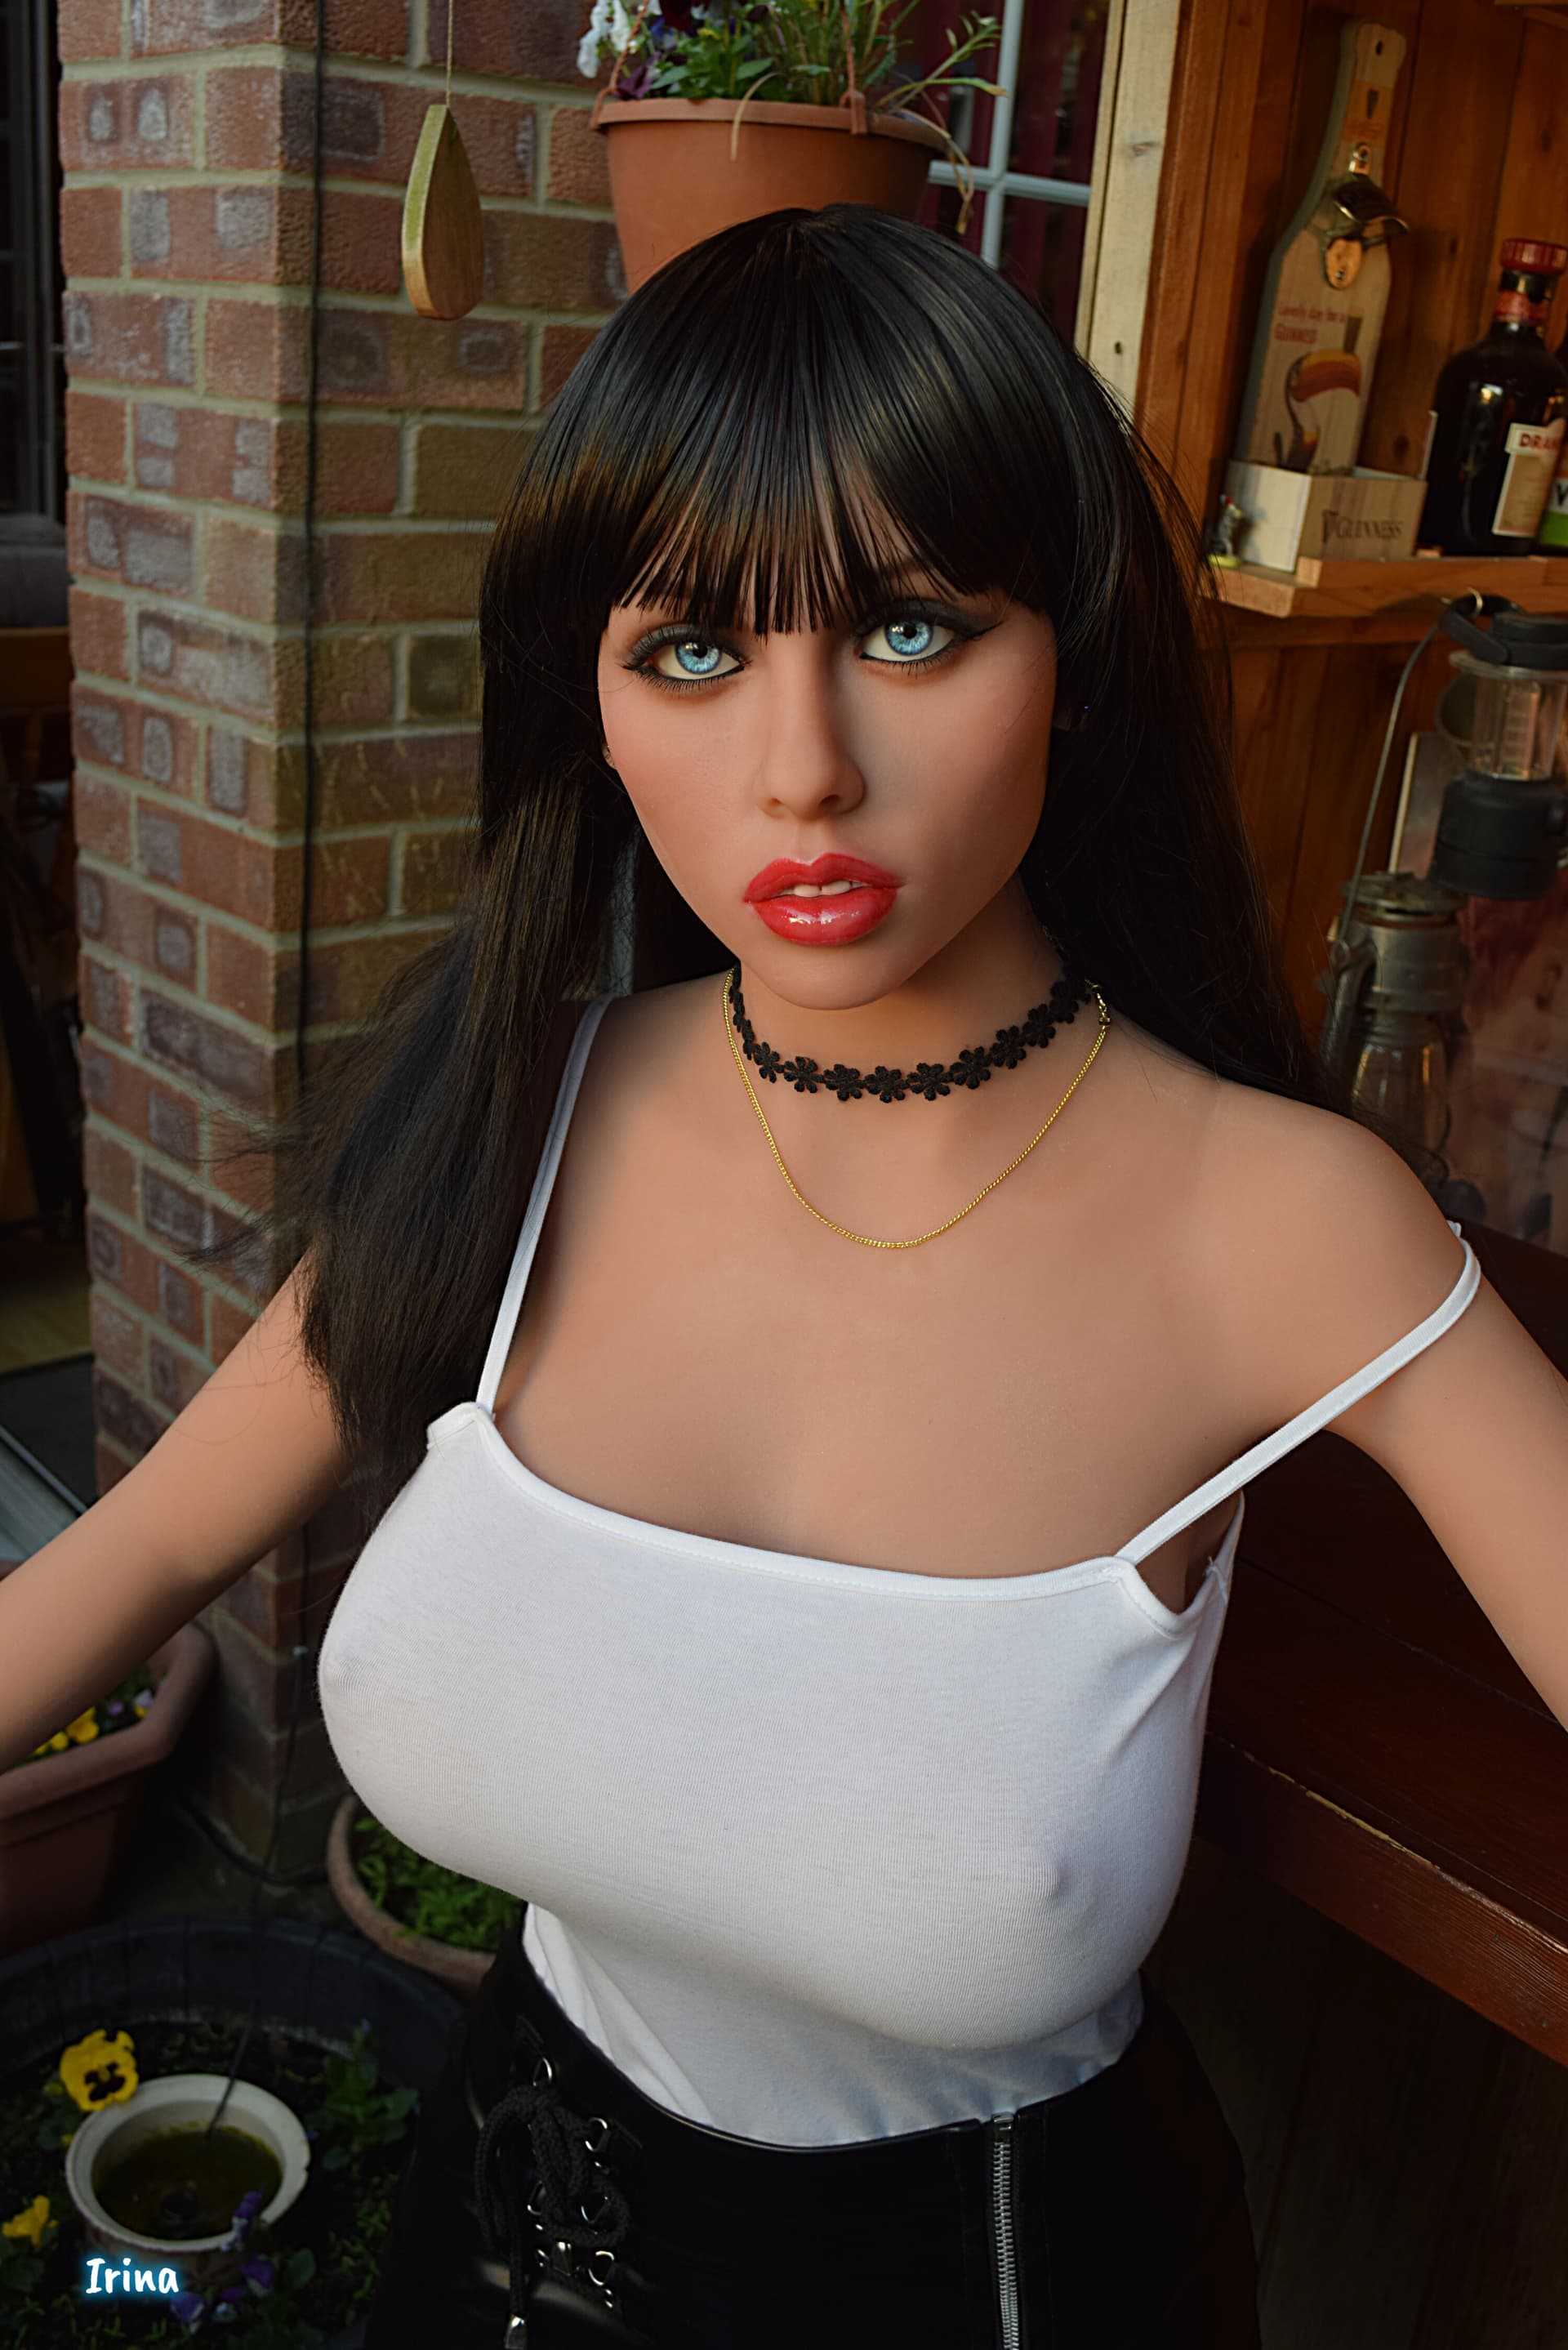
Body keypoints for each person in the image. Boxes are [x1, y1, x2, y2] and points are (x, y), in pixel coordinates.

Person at [15, 202, 1559, 2347]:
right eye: (690, 650)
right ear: (588, 695)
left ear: (1077, 657)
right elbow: (141, 1549)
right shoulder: (521, 1114)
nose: (803, 764)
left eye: (912, 629)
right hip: (497, 2239)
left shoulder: (1289, 1227)